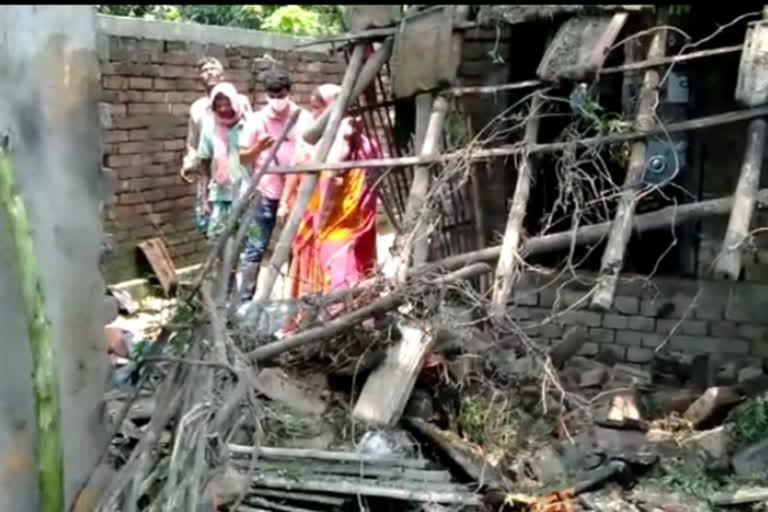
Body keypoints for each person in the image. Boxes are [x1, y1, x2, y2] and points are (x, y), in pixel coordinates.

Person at [283, 83, 381, 325]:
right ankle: (349, 318)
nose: (315, 115)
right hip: (344, 221)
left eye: (319, 108)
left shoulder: (345, 145)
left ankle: (338, 324)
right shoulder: (360, 142)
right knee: (351, 268)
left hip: (338, 225)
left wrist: (320, 221)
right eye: (313, 108)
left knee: (338, 273)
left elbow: (335, 186)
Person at [236, 68, 314, 302]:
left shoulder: (304, 118)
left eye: (280, 94)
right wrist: (258, 148)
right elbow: (242, 158)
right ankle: (243, 299)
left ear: (289, 92)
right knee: (255, 245)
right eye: (272, 95)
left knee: (296, 245)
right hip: (265, 193)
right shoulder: (257, 120)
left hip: (298, 193)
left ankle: (294, 296)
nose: (276, 100)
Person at [180, 57, 252, 236]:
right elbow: (193, 142)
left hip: (238, 170)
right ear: (199, 77)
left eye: (213, 68)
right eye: (204, 70)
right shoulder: (197, 108)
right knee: (209, 222)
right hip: (211, 173)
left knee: (241, 224)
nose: (209, 72)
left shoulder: (240, 101)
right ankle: (220, 260)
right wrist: (188, 163)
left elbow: (252, 132)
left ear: (222, 74)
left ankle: (235, 260)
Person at [197, 82, 258, 239]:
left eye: (227, 104)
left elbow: (259, 159)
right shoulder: (209, 128)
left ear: (235, 103)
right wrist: (204, 198)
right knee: (218, 238)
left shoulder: (249, 125)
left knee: (247, 238)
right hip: (220, 194)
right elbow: (204, 164)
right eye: (218, 106)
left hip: (247, 192)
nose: (223, 109)